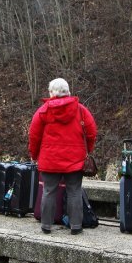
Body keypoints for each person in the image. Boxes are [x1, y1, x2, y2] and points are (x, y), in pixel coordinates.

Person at [28, 78, 97, 235]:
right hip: (75, 159)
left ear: (52, 92)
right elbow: (92, 132)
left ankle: (46, 225)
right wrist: (88, 151)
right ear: (68, 91)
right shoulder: (80, 110)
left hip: (50, 159)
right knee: (74, 191)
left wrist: (34, 154)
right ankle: (76, 226)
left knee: (48, 191)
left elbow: (34, 136)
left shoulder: (43, 111)